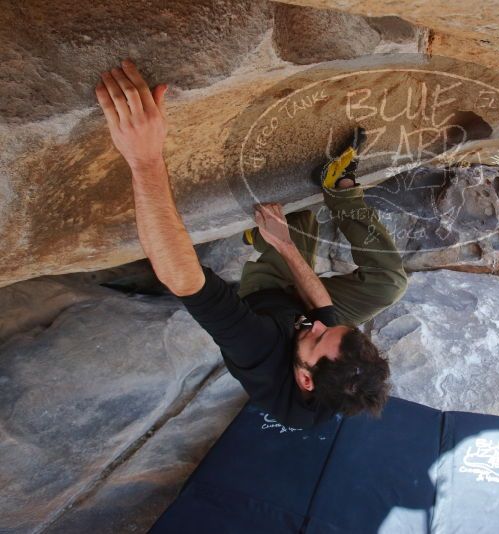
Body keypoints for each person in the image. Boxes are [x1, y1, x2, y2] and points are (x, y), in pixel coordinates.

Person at [95, 60, 407, 428]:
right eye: (338, 329)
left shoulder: (259, 347)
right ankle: (336, 190)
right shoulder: (333, 364)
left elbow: (182, 278)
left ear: (304, 379)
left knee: (298, 221)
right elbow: (323, 311)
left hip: (267, 297)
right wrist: (287, 245)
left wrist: (144, 159)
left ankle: (263, 240)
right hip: (298, 312)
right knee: (386, 281)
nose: (321, 325)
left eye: (319, 336)